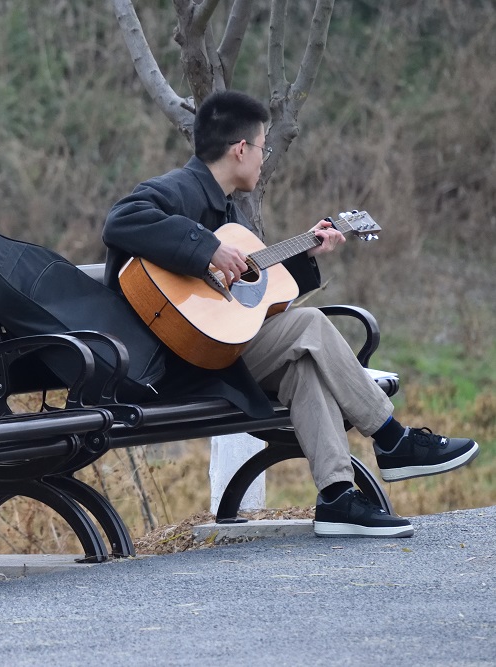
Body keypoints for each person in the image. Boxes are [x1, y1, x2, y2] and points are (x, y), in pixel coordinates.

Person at [101, 90, 479, 538]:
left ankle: (338, 497)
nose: (264, 157)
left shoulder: (229, 212)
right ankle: (393, 439)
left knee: (303, 364)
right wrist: (206, 248)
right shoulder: (178, 189)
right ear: (240, 149)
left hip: (215, 354)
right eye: (264, 146)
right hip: (167, 365)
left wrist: (307, 255)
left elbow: (257, 297)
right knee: (311, 324)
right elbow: (120, 221)